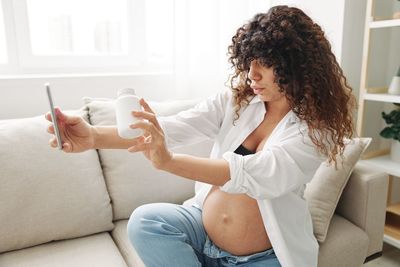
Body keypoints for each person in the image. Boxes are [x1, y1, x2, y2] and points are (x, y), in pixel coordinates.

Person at [46, 5, 355, 267]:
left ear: (298, 65)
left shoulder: (317, 131)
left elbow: (256, 173)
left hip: (266, 256)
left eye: (267, 64)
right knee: (145, 221)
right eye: (249, 62)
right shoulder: (238, 101)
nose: (252, 74)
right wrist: (93, 136)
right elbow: (171, 127)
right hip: (201, 233)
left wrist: (169, 162)